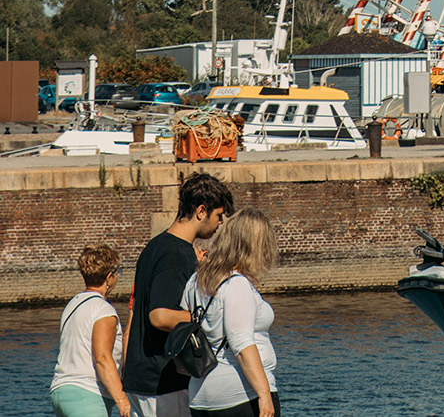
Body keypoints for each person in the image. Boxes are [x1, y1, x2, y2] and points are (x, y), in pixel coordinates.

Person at [123, 171, 236, 417]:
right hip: (164, 382)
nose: (220, 223)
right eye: (218, 216)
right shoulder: (177, 254)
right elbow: (160, 316)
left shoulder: (155, 246)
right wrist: (203, 316)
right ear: (201, 211)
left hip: (141, 376)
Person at [181, 208, 279, 417]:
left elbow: (186, 321)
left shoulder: (196, 280)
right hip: (243, 394)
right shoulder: (237, 284)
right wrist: (264, 395)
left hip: (201, 395)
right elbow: (241, 343)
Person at [51, 244, 130, 417]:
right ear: (109, 277)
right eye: (118, 272)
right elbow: (102, 358)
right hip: (87, 394)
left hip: (61, 390)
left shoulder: (72, 304)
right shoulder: (103, 310)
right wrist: (122, 400)